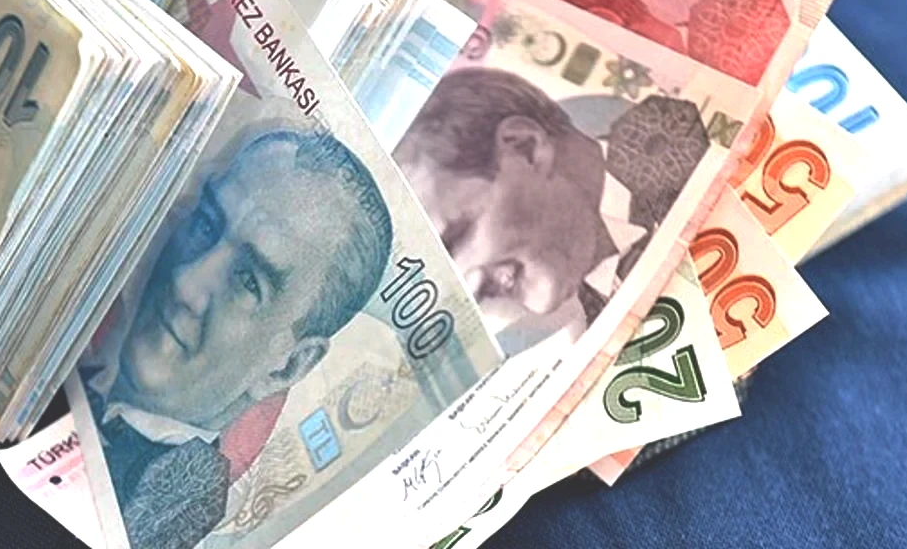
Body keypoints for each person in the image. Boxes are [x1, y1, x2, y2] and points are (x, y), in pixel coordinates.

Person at [83, 128, 393, 549]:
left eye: (248, 282)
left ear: (289, 366)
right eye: (206, 224)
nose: (185, 283)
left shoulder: (176, 505)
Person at [393, 68, 619, 353]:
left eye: (457, 236)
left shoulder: (653, 133)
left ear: (524, 149)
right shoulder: (529, 340)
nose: (470, 292)